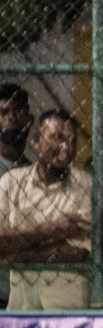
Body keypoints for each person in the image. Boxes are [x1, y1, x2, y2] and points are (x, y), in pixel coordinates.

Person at [0, 110, 92, 310]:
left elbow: (77, 252)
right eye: (56, 137)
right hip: (22, 308)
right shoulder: (11, 183)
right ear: (36, 141)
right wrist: (51, 231)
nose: (65, 147)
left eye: (71, 140)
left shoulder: (87, 186)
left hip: (68, 309)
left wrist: (16, 252)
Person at [0, 83, 36, 310]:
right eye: (3, 113)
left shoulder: (37, 173)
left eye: (18, 112)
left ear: (29, 120)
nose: (11, 119)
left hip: (26, 292)